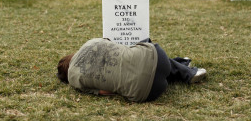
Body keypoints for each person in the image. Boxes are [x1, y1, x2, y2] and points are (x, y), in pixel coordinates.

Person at [57, 38, 206, 103]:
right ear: (71, 56)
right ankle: (185, 68)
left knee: (148, 73)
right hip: (159, 60)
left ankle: (181, 65)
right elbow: (116, 46)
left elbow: (105, 92)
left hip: (147, 92)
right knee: (145, 43)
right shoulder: (89, 43)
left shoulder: (74, 81)